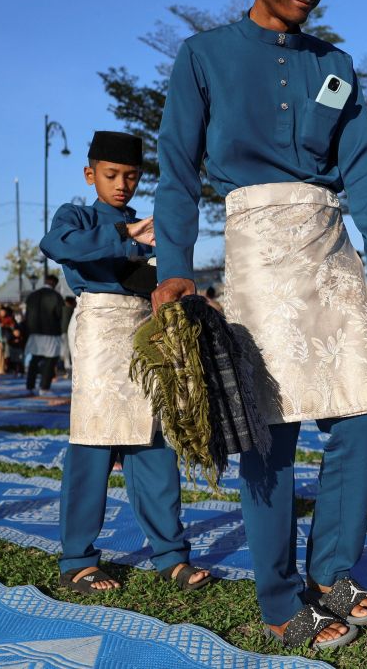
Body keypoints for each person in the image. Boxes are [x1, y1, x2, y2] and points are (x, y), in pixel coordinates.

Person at [151, 0, 367, 651]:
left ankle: (333, 571)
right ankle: (276, 596)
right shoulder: (203, 56)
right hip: (257, 248)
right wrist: (174, 268)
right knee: (271, 429)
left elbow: (360, 163)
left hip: (330, 248)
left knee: (359, 413)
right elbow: (174, 168)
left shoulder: (336, 66)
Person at [41, 130, 212, 599]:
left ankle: (171, 555)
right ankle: (77, 561)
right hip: (99, 330)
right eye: (112, 175)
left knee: (154, 442)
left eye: (132, 177)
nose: (122, 185)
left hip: (145, 332)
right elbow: (59, 246)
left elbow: (160, 278)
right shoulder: (77, 217)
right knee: (94, 442)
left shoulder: (146, 225)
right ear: (89, 173)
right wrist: (125, 233)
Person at [24, 275, 65, 396]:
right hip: (51, 333)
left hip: (35, 333)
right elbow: (59, 314)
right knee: (50, 360)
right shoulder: (56, 296)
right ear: (55, 283)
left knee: (34, 360)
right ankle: (44, 387)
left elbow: (27, 315)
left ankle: (29, 386)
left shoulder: (32, 296)